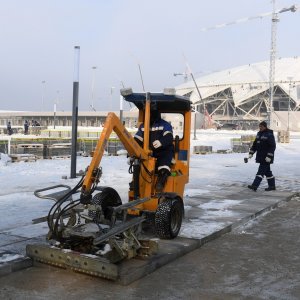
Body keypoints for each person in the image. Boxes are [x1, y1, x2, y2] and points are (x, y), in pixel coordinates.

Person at [134, 109, 174, 192]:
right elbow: (137, 139)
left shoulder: (164, 124)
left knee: (164, 163)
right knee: (138, 164)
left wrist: (161, 142)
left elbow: (169, 137)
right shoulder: (143, 126)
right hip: (148, 151)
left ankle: (161, 181)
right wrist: (132, 150)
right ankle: (136, 184)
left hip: (162, 151)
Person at [247, 121, 276, 191]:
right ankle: (272, 186)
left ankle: (255, 185)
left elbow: (272, 146)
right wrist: (251, 153)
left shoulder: (269, 134)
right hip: (260, 156)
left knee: (260, 172)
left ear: (265, 127)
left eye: (261, 126)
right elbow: (255, 145)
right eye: (259, 126)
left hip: (266, 157)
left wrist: (269, 156)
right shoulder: (259, 134)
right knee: (268, 172)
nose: (260, 128)